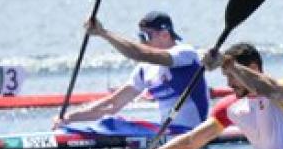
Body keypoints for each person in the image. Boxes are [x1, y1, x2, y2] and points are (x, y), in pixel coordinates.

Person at [129, 42, 283, 149]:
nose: (228, 83)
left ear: (253, 68)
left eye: (231, 76)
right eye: (226, 75)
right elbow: (191, 142)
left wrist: (229, 64)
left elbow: (269, 90)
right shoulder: (232, 106)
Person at [55, 11, 210, 132]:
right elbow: (112, 105)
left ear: (165, 34)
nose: (142, 41)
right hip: (167, 134)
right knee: (111, 123)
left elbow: (139, 53)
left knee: (114, 125)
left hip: (191, 133)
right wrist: (70, 118)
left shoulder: (185, 54)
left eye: (146, 36)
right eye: (139, 36)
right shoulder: (145, 69)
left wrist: (103, 33)